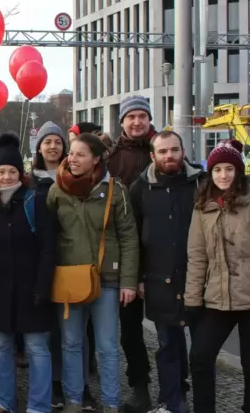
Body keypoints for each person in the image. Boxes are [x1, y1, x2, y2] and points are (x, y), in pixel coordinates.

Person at [46, 133, 139, 413]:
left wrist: (129, 282)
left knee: (108, 346)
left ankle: (111, 403)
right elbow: (48, 235)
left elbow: (129, 238)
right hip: (69, 277)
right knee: (71, 342)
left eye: (80, 154)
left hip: (106, 278)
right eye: (71, 153)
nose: (72, 159)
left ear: (97, 158)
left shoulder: (114, 189)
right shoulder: (57, 190)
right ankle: (74, 400)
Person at [0, 133, 55, 413]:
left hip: (31, 289)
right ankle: (3, 401)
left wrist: (43, 287)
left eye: (11, 171)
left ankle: (39, 405)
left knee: (36, 348)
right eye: (1, 171)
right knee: (2, 347)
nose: (6, 177)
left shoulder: (35, 201)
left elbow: (48, 248)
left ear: (20, 172)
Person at [129, 131, 204, 413]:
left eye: (174, 150)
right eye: (162, 152)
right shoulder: (140, 189)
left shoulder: (200, 183)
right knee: (167, 347)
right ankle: (172, 403)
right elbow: (132, 237)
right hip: (159, 280)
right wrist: (136, 277)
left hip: (198, 279)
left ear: (183, 151)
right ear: (153, 156)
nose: (169, 156)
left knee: (201, 351)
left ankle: (203, 404)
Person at [32, 122, 96, 410]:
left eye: (58, 141)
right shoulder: (28, 179)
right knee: (50, 331)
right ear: (39, 147)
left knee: (76, 333)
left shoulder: (75, 177)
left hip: (72, 262)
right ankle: (55, 385)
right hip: (41, 263)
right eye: (47, 142)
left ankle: (80, 387)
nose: (53, 146)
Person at [186, 139, 250, 413]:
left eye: (229, 169)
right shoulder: (203, 207)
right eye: (217, 170)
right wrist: (192, 300)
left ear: (239, 171)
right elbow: (197, 256)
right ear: (210, 173)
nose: (224, 175)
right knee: (199, 356)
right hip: (217, 297)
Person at [106, 95, 156, 413]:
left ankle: (177, 386)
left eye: (142, 116)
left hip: (161, 251)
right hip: (126, 252)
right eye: (131, 116)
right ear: (122, 121)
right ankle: (141, 387)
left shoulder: (163, 150)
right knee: (131, 329)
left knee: (172, 329)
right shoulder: (111, 158)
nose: (137, 121)